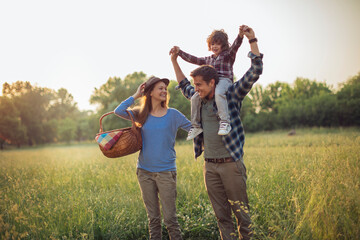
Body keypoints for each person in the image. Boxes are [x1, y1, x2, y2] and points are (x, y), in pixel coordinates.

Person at [169, 25, 263, 240]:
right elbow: (184, 85)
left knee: (243, 216)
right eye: (196, 85)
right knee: (222, 217)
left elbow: (255, 72)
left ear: (213, 83)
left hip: (231, 164)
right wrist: (175, 60)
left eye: (200, 85)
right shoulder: (199, 98)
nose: (196, 88)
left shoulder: (230, 94)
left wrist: (252, 40)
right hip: (209, 166)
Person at [114, 76, 191, 240]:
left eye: (165, 88)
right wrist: (136, 95)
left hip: (166, 173)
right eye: (160, 88)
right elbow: (118, 111)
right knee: (153, 219)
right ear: (150, 92)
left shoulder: (173, 115)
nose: (164, 91)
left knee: (170, 219)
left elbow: (194, 129)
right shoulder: (140, 114)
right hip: (144, 172)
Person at [172, 27, 243, 140]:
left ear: (223, 45)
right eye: (213, 43)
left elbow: (236, 45)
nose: (214, 46)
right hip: (211, 83)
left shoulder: (228, 55)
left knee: (219, 93)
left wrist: (240, 35)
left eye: (218, 44)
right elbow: (194, 59)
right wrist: (180, 52)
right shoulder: (208, 59)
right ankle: (195, 126)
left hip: (224, 80)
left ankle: (225, 121)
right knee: (195, 97)